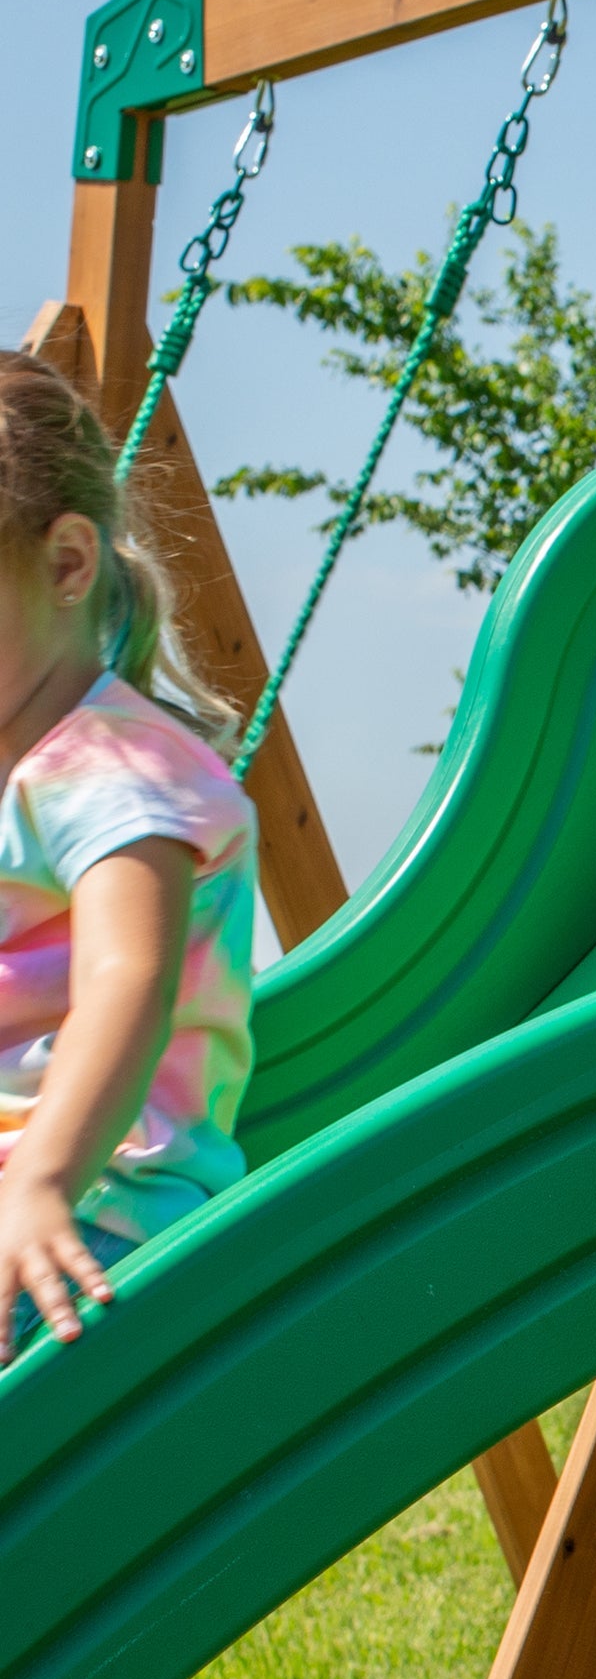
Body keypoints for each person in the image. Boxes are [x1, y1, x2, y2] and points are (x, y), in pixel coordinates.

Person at [0, 353, 255, 1364]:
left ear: (68, 564)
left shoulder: (109, 768)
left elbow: (128, 974)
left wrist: (44, 1184)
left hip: (98, 1210)